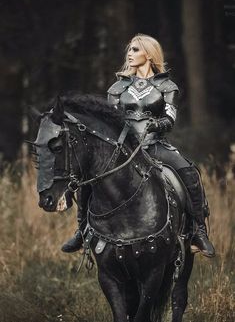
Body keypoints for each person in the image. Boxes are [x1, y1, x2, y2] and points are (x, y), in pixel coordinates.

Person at [62, 33, 215, 258]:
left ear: (149, 54)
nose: (129, 54)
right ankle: (82, 230)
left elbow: (170, 118)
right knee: (90, 176)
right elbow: (110, 119)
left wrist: (157, 124)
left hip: (155, 144)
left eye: (135, 50)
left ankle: (199, 232)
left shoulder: (166, 86)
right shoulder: (118, 88)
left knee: (189, 171)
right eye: (129, 50)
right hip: (123, 148)